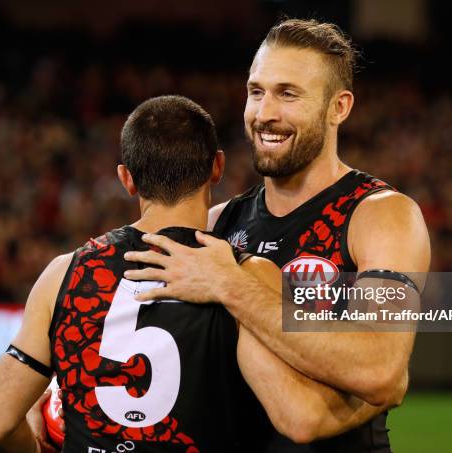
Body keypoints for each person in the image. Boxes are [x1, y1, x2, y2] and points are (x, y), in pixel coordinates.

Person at [0, 95, 397, 453]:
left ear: (126, 178)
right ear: (216, 168)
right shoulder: (243, 276)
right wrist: (378, 393)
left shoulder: (63, 273)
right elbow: (301, 419)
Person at [121, 19, 431, 452]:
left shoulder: (381, 216)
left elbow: (381, 369)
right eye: (256, 91)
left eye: (288, 94)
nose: (265, 113)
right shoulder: (217, 223)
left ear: (338, 108)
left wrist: (231, 285)